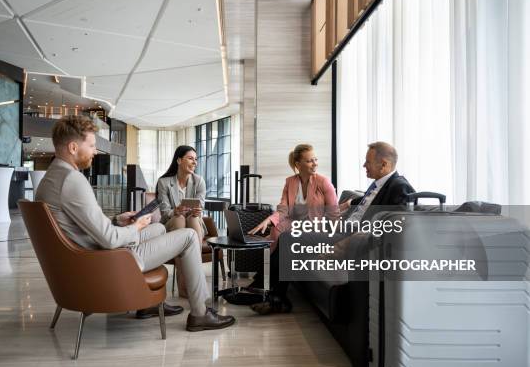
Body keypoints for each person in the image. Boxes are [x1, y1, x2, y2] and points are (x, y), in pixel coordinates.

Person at [35, 116, 235, 331]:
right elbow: (110, 239)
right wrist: (135, 227)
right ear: (74, 147)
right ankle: (200, 313)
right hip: (107, 261)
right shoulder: (73, 180)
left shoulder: (52, 178)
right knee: (187, 237)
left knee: (158, 227)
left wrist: (117, 220)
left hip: (93, 255)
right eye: (92, 145)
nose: (95, 151)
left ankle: (147, 303)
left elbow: (80, 225)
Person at [249, 141, 415, 315]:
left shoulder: (400, 186)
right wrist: (349, 203)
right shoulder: (379, 184)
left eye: (368, 161)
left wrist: (350, 238)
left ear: (384, 164)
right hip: (340, 231)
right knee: (286, 237)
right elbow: (366, 202)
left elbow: (395, 223)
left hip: (349, 237)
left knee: (289, 238)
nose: (364, 165)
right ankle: (271, 294)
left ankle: (271, 295)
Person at [246, 144, 339, 312]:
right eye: (310, 161)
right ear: (298, 164)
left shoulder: (324, 183)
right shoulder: (291, 182)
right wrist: (269, 220)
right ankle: (272, 294)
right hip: (295, 229)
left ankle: (263, 284)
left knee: (287, 240)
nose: (315, 163)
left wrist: (321, 238)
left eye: (315, 159)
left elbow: (334, 216)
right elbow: (283, 209)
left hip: (316, 232)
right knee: (282, 235)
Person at [156, 145, 206, 298]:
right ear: (179, 160)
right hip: (172, 223)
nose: (194, 162)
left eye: (196, 159)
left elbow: (200, 206)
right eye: (190, 158)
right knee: (178, 220)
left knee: (191, 219)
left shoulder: (199, 181)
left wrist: (197, 211)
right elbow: (165, 213)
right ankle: (189, 288)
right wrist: (175, 211)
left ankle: (189, 286)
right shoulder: (164, 182)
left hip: (194, 221)